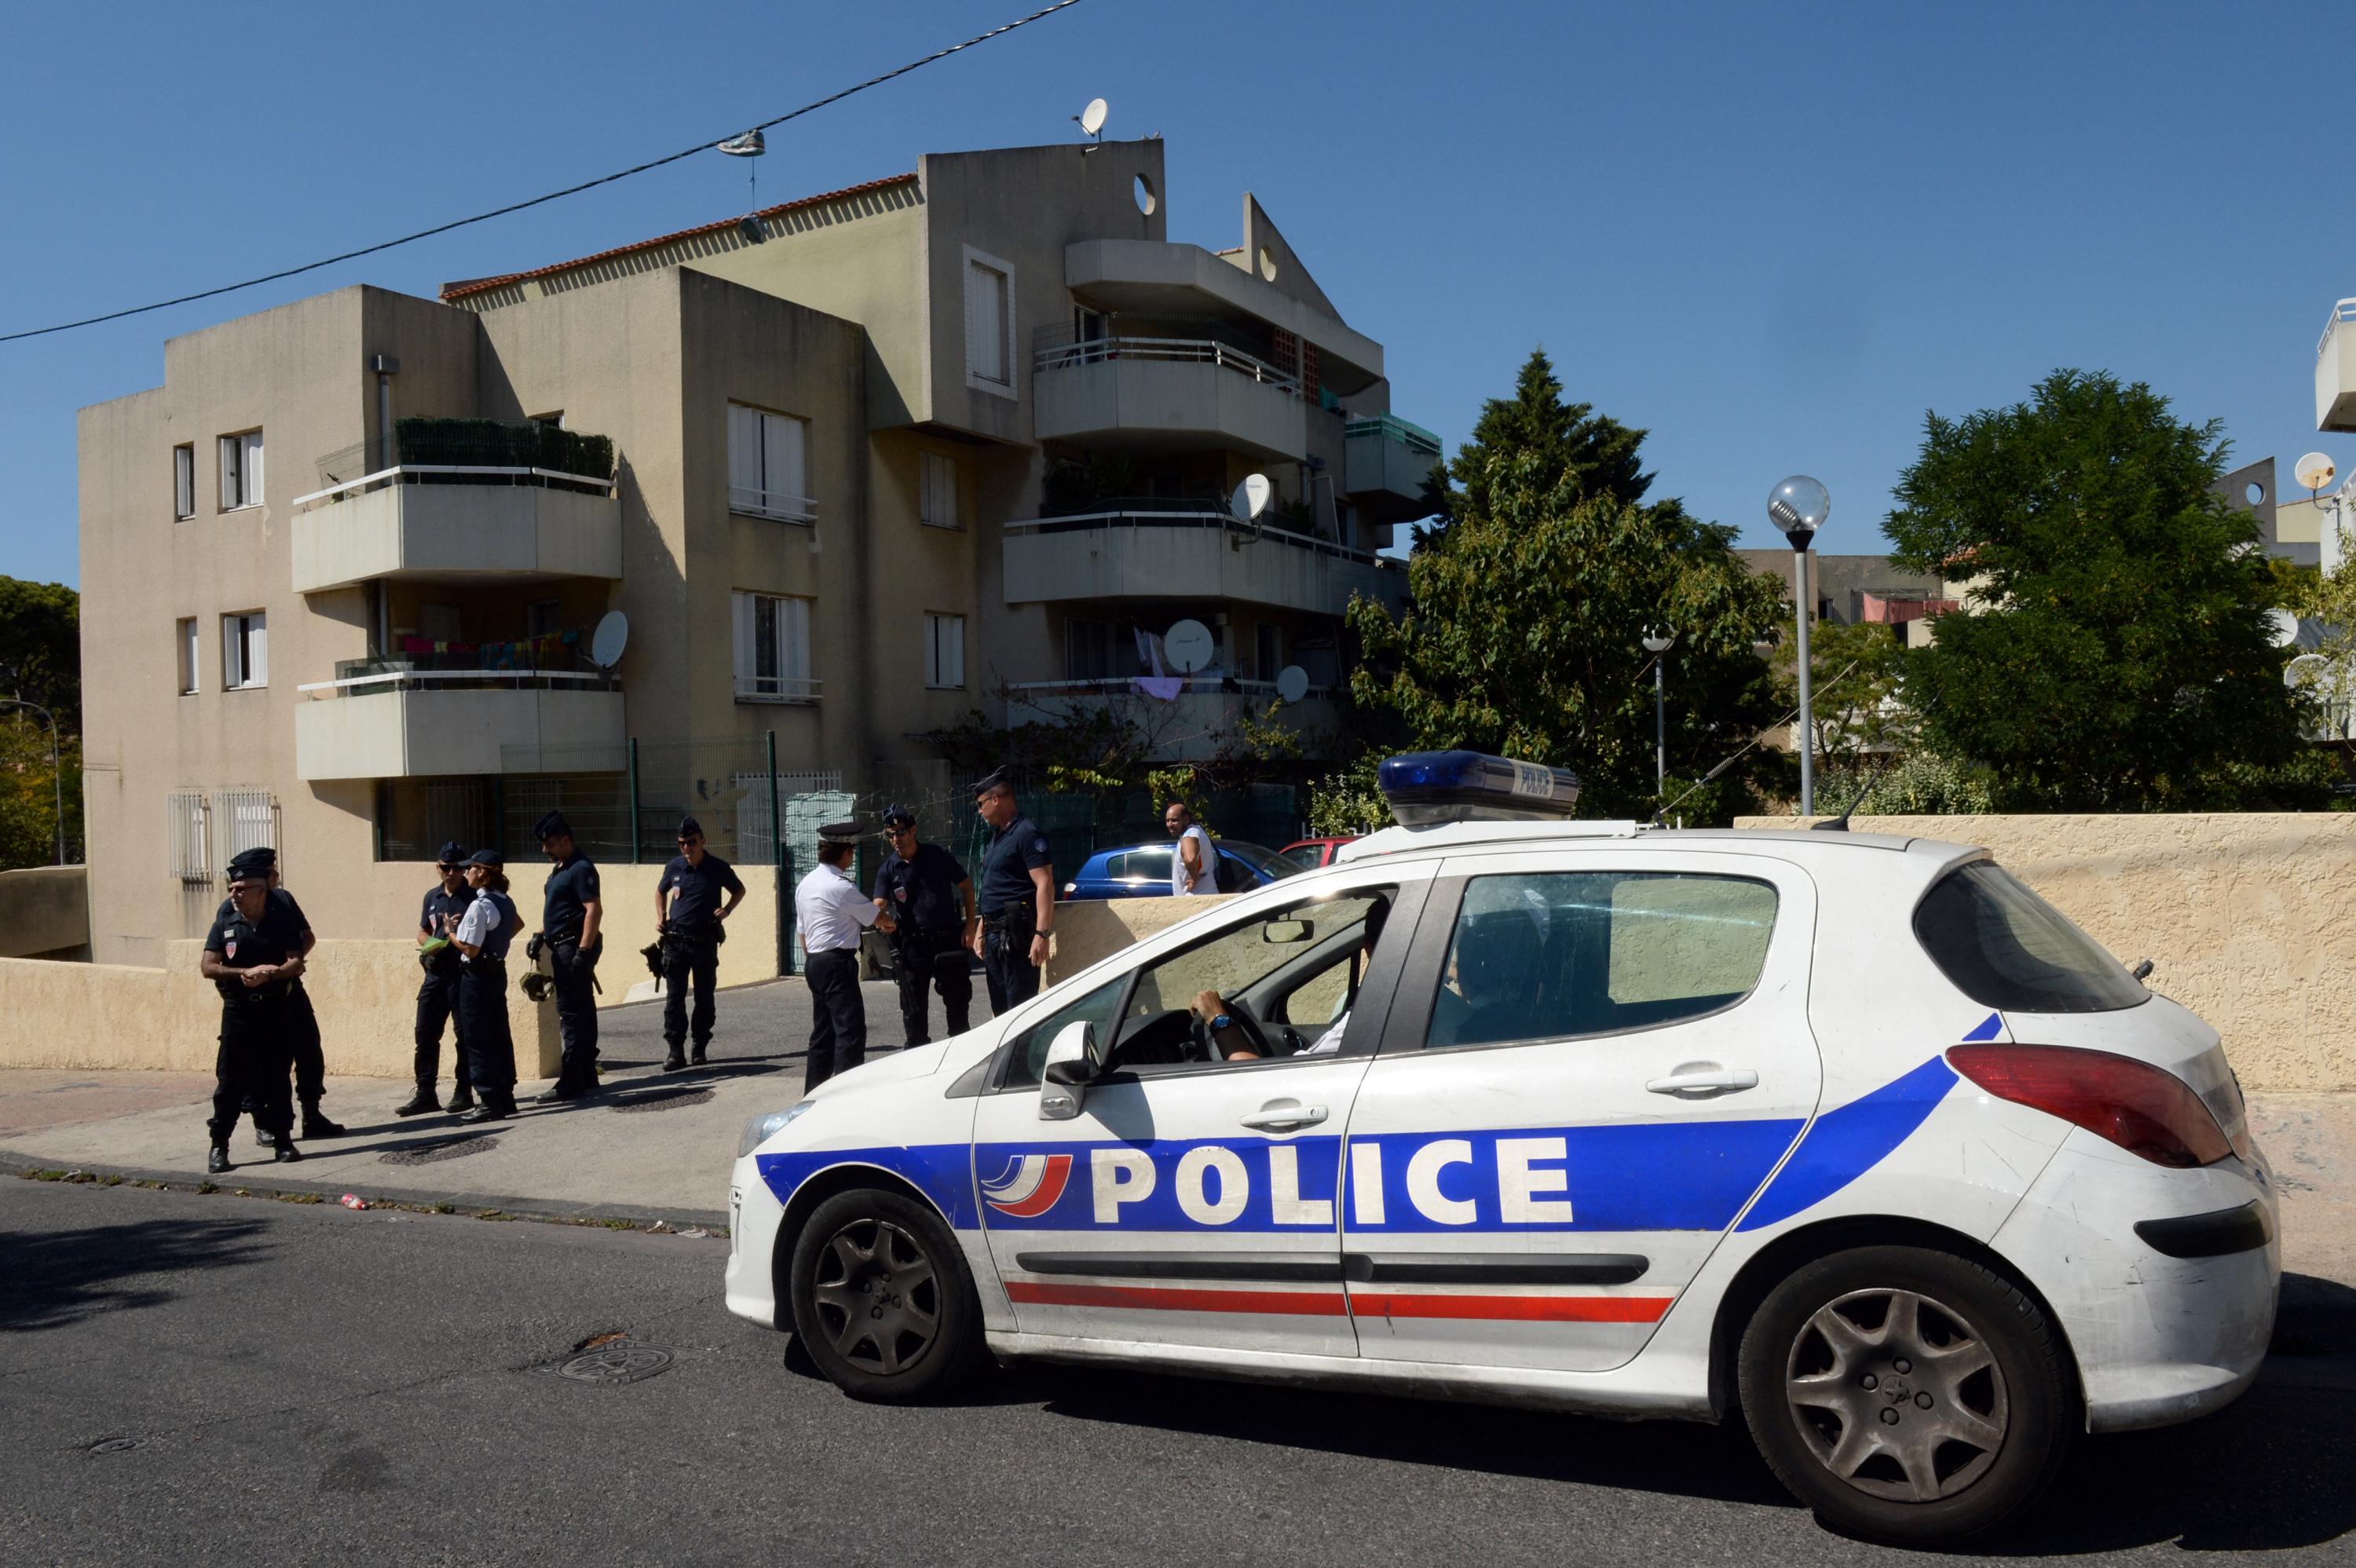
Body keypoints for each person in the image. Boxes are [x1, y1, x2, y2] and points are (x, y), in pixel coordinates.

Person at [214, 847, 345, 1142]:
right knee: (256, 1062)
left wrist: (287, 966)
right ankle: (263, 1122)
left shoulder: (283, 900)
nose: (277, 874)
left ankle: (312, 1114)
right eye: (272, 870)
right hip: (250, 1001)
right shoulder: (230, 908)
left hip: (287, 990)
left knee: (309, 1049)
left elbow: (306, 938)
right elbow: (219, 958)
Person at [199, 860, 308, 1171]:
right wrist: (243, 973)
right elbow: (208, 966)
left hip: (275, 1008)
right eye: (231, 888)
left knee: (277, 1076)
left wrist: (272, 974)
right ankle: (219, 1146)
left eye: (241, 889)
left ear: (260, 891)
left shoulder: (281, 921)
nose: (234, 894)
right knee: (230, 1081)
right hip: (238, 1012)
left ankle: (284, 1141)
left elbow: (296, 961)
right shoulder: (225, 923)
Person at [796, 821, 893, 1091]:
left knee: (823, 1033)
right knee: (849, 1032)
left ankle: (814, 1092)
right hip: (837, 962)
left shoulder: (806, 883)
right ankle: (845, 1094)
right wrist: (889, 922)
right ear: (846, 853)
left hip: (815, 961)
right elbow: (875, 917)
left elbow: (802, 932)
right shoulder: (841, 887)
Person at [872, 804, 976, 1047]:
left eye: (900, 832)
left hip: (947, 939)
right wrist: (881, 920)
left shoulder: (936, 855)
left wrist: (970, 926)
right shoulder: (889, 869)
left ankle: (960, 1054)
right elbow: (879, 904)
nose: (896, 839)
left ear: (913, 830)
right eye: (891, 834)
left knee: (958, 1002)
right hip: (913, 944)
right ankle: (918, 1058)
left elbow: (967, 886)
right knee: (913, 1006)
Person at [654, 815, 744, 1071]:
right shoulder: (674, 867)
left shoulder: (717, 867)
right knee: (674, 999)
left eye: (691, 842)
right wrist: (661, 916)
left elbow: (739, 890)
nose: (686, 848)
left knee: (704, 998)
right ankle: (675, 1051)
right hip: (676, 942)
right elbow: (659, 891)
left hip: (704, 942)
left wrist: (727, 910)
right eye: (682, 843)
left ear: (703, 841)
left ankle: (700, 1047)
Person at [397, 842, 475, 1117]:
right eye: (446, 868)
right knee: (425, 1033)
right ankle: (425, 1092)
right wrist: (431, 944)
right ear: (438, 868)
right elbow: (422, 931)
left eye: (457, 868)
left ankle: (464, 1091)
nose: (451, 873)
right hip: (435, 972)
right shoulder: (432, 897)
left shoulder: (474, 896)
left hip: (461, 974)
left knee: (463, 1035)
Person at [971, 769, 1055, 1015]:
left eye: (980, 805)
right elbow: (994, 885)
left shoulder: (1027, 833)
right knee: (1000, 1010)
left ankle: (1021, 1055)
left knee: (1019, 1010)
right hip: (995, 932)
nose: (979, 812)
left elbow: (1045, 883)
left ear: (995, 799)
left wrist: (1042, 933)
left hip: (1016, 933)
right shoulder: (998, 837)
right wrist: (981, 928)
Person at [533, 810, 603, 1101]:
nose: (545, 850)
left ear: (565, 840)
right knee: (581, 1009)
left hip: (572, 946)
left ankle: (572, 1078)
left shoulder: (581, 868)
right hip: (561, 942)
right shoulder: (561, 868)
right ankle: (586, 1073)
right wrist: (540, 934)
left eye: (549, 844)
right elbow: (558, 909)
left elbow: (593, 909)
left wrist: (583, 952)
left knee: (572, 1013)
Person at [449, 849, 523, 1124]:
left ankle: (489, 1099)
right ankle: (505, 1095)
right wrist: (497, 943)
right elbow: (516, 925)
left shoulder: (480, 905)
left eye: (470, 868)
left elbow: (470, 949)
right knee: (499, 1033)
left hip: (477, 976)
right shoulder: (506, 901)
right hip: (496, 973)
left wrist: (450, 933)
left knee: (477, 1036)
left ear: (481, 872)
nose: (465, 872)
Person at [1165, 801, 1215, 896]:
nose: (1170, 825)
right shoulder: (1198, 831)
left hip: (1195, 896)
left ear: (1186, 819)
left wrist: (1194, 878)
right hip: (1206, 893)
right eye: (1167, 821)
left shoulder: (1189, 835)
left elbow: (1190, 859)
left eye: (1174, 820)